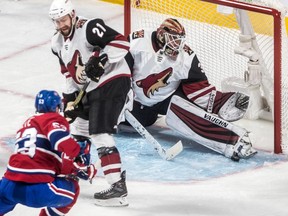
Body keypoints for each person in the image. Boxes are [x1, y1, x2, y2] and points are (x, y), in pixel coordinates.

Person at [126, 18, 257, 161]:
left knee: (186, 111)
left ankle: (233, 142)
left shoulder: (186, 57)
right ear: (161, 35)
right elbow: (116, 67)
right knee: (106, 117)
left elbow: (198, 87)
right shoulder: (137, 41)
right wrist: (118, 93)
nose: (177, 45)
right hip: (135, 104)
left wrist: (219, 101)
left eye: (179, 40)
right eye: (172, 39)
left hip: (167, 99)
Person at [49, 0, 132, 207]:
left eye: (64, 19)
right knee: (80, 128)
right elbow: (68, 73)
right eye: (57, 21)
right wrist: (69, 100)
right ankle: (77, 170)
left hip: (114, 79)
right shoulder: (57, 43)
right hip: (90, 88)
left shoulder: (88, 27)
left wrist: (102, 59)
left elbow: (122, 43)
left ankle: (117, 187)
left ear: (73, 14)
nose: (61, 25)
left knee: (100, 133)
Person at [0, 90, 96, 216]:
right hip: (36, 190)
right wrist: (78, 155)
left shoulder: (26, 125)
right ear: (57, 108)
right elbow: (59, 139)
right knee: (73, 190)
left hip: (7, 186)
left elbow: (41, 159)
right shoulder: (53, 119)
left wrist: (75, 169)